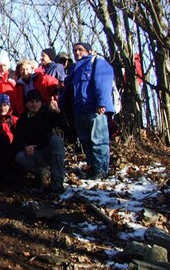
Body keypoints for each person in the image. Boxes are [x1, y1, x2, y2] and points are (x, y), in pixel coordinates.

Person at [61, 42, 116, 179]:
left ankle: (101, 170)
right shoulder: (75, 68)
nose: (77, 53)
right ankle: (93, 168)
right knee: (86, 141)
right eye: (75, 50)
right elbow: (68, 89)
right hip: (79, 111)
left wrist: (101, 102)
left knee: (98, 140)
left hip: (95, 109)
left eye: (80, 49)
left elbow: (103, 83)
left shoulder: (97, 62)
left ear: (89, 51)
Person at [13, 90, 65, 191]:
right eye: (31, 102)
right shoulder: (23, 119)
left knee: (56, 140)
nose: (34, 104)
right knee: (20, 157)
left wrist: (58, 111)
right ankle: (39, 174)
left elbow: (64, 124)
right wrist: (25, 147)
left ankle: (57, 182)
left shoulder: (48, 112)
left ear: (41, 102)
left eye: (37, 101)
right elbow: (18, 139)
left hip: (49, 151)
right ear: (27, 104)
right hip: (34, 153)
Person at [0, 93, 18, 180]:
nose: (2, 108)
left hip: (11, 149)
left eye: (5, 105)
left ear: (9, 106)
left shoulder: (14, 120)